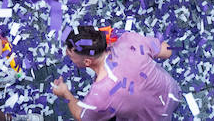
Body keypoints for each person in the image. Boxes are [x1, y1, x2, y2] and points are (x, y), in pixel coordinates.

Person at [52, 25, 181, 121]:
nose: (66, 55)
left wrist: (66, 94)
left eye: (70, 55)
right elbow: (167, 51)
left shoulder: (99, 95)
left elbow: (82, 117)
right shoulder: (130, 41)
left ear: (87, 62)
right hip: (173, 94)